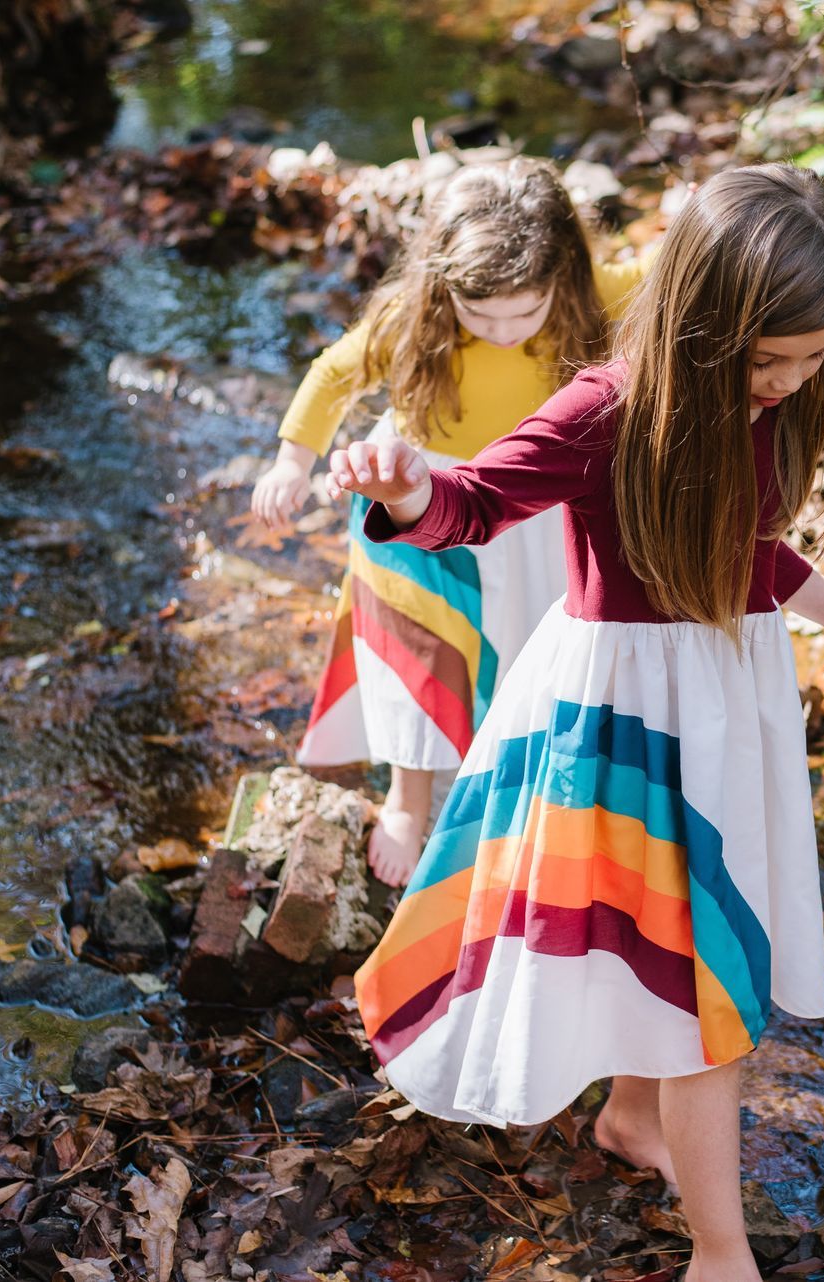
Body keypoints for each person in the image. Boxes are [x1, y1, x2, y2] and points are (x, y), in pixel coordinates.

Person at [330, 163, 824, 1282]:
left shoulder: (759, 403)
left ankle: (631, 1117)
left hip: (725, 700)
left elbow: (745, 540)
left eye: (815, 360)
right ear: (707, 323)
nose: (794, 382)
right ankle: (722, 1250)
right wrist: (409, 488)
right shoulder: (604, 406)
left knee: (671, 944)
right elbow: (477, 499)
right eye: (774, 362)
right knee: (704, 986)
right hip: (625, 720)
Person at [252, 157, 643, 887]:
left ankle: (526, 785)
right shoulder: (412, 317)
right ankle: (409, 797)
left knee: (532, 652)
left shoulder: (598, 294)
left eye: (523, 314)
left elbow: (686, 274)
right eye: (478, 314)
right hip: (416, 495)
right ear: (442, 284)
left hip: (532, 505)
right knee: (418, 654)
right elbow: (334, 374)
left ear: (564, 273)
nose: (500, 331)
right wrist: (288, 461)